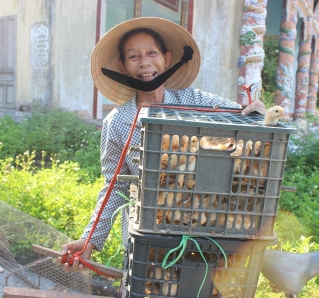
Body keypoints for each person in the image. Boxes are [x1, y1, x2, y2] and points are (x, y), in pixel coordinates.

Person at [56, 17, 266, 272]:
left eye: (151, 52)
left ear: (166, 58)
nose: (145, 62)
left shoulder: (193, 101)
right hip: (145, 240)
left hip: (199, 232)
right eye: (134, 56)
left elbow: (240, 114)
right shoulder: (118, 122)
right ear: (123, 66)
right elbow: (115, 186)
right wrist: (91, 239)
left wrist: (256, 110)